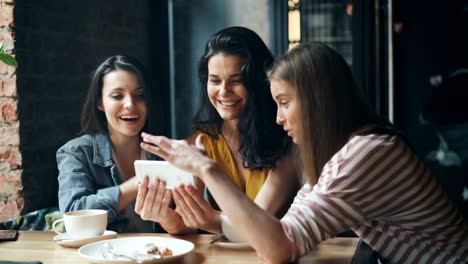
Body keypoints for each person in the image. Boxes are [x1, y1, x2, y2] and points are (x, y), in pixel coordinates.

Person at [140, 42, 468, 263]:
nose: (278, 117)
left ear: (318, 102)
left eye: (284, 103)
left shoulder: (366, 153)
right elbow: (277, 229)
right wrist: (209, 218)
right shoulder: (337, 153)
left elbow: (279, 248)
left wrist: (209, 171)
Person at [134, 26, 299, 235]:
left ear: (258, 82)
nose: (223, 91)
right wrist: (162, 215)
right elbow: (186, 225)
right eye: (215, 80)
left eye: (236, 80)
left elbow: (257, 224)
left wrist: (209, 220)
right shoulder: (203, 139)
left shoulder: (287, 139)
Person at [57, 55, 161, 233]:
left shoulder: (163, 153)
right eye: (117, 96)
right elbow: (73, 212)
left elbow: (186, 223)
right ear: (100, 102)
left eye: (140, 95)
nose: (130, 104)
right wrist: (137, 183)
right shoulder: (76, 152)